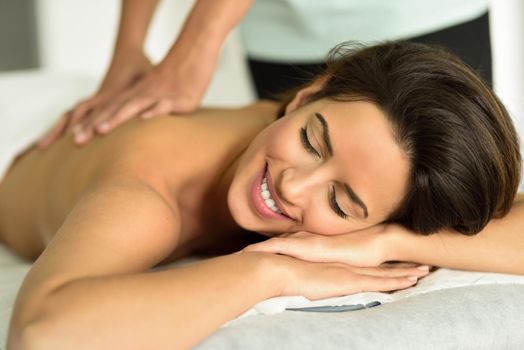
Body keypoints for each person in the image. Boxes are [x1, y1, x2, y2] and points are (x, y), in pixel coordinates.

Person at [2, 41, 522, 349]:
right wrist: (271, 272)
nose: (292, 185)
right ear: (308, 93)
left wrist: (385, 241)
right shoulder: (147, 196)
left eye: (341, 203)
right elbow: (45, 333)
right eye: (310, 141)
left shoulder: (375, 160)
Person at [35, 0, 491, 149]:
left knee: (441, 208)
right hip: (281, 27)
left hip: (414, 16)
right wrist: (128, 47)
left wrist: (195, 46)